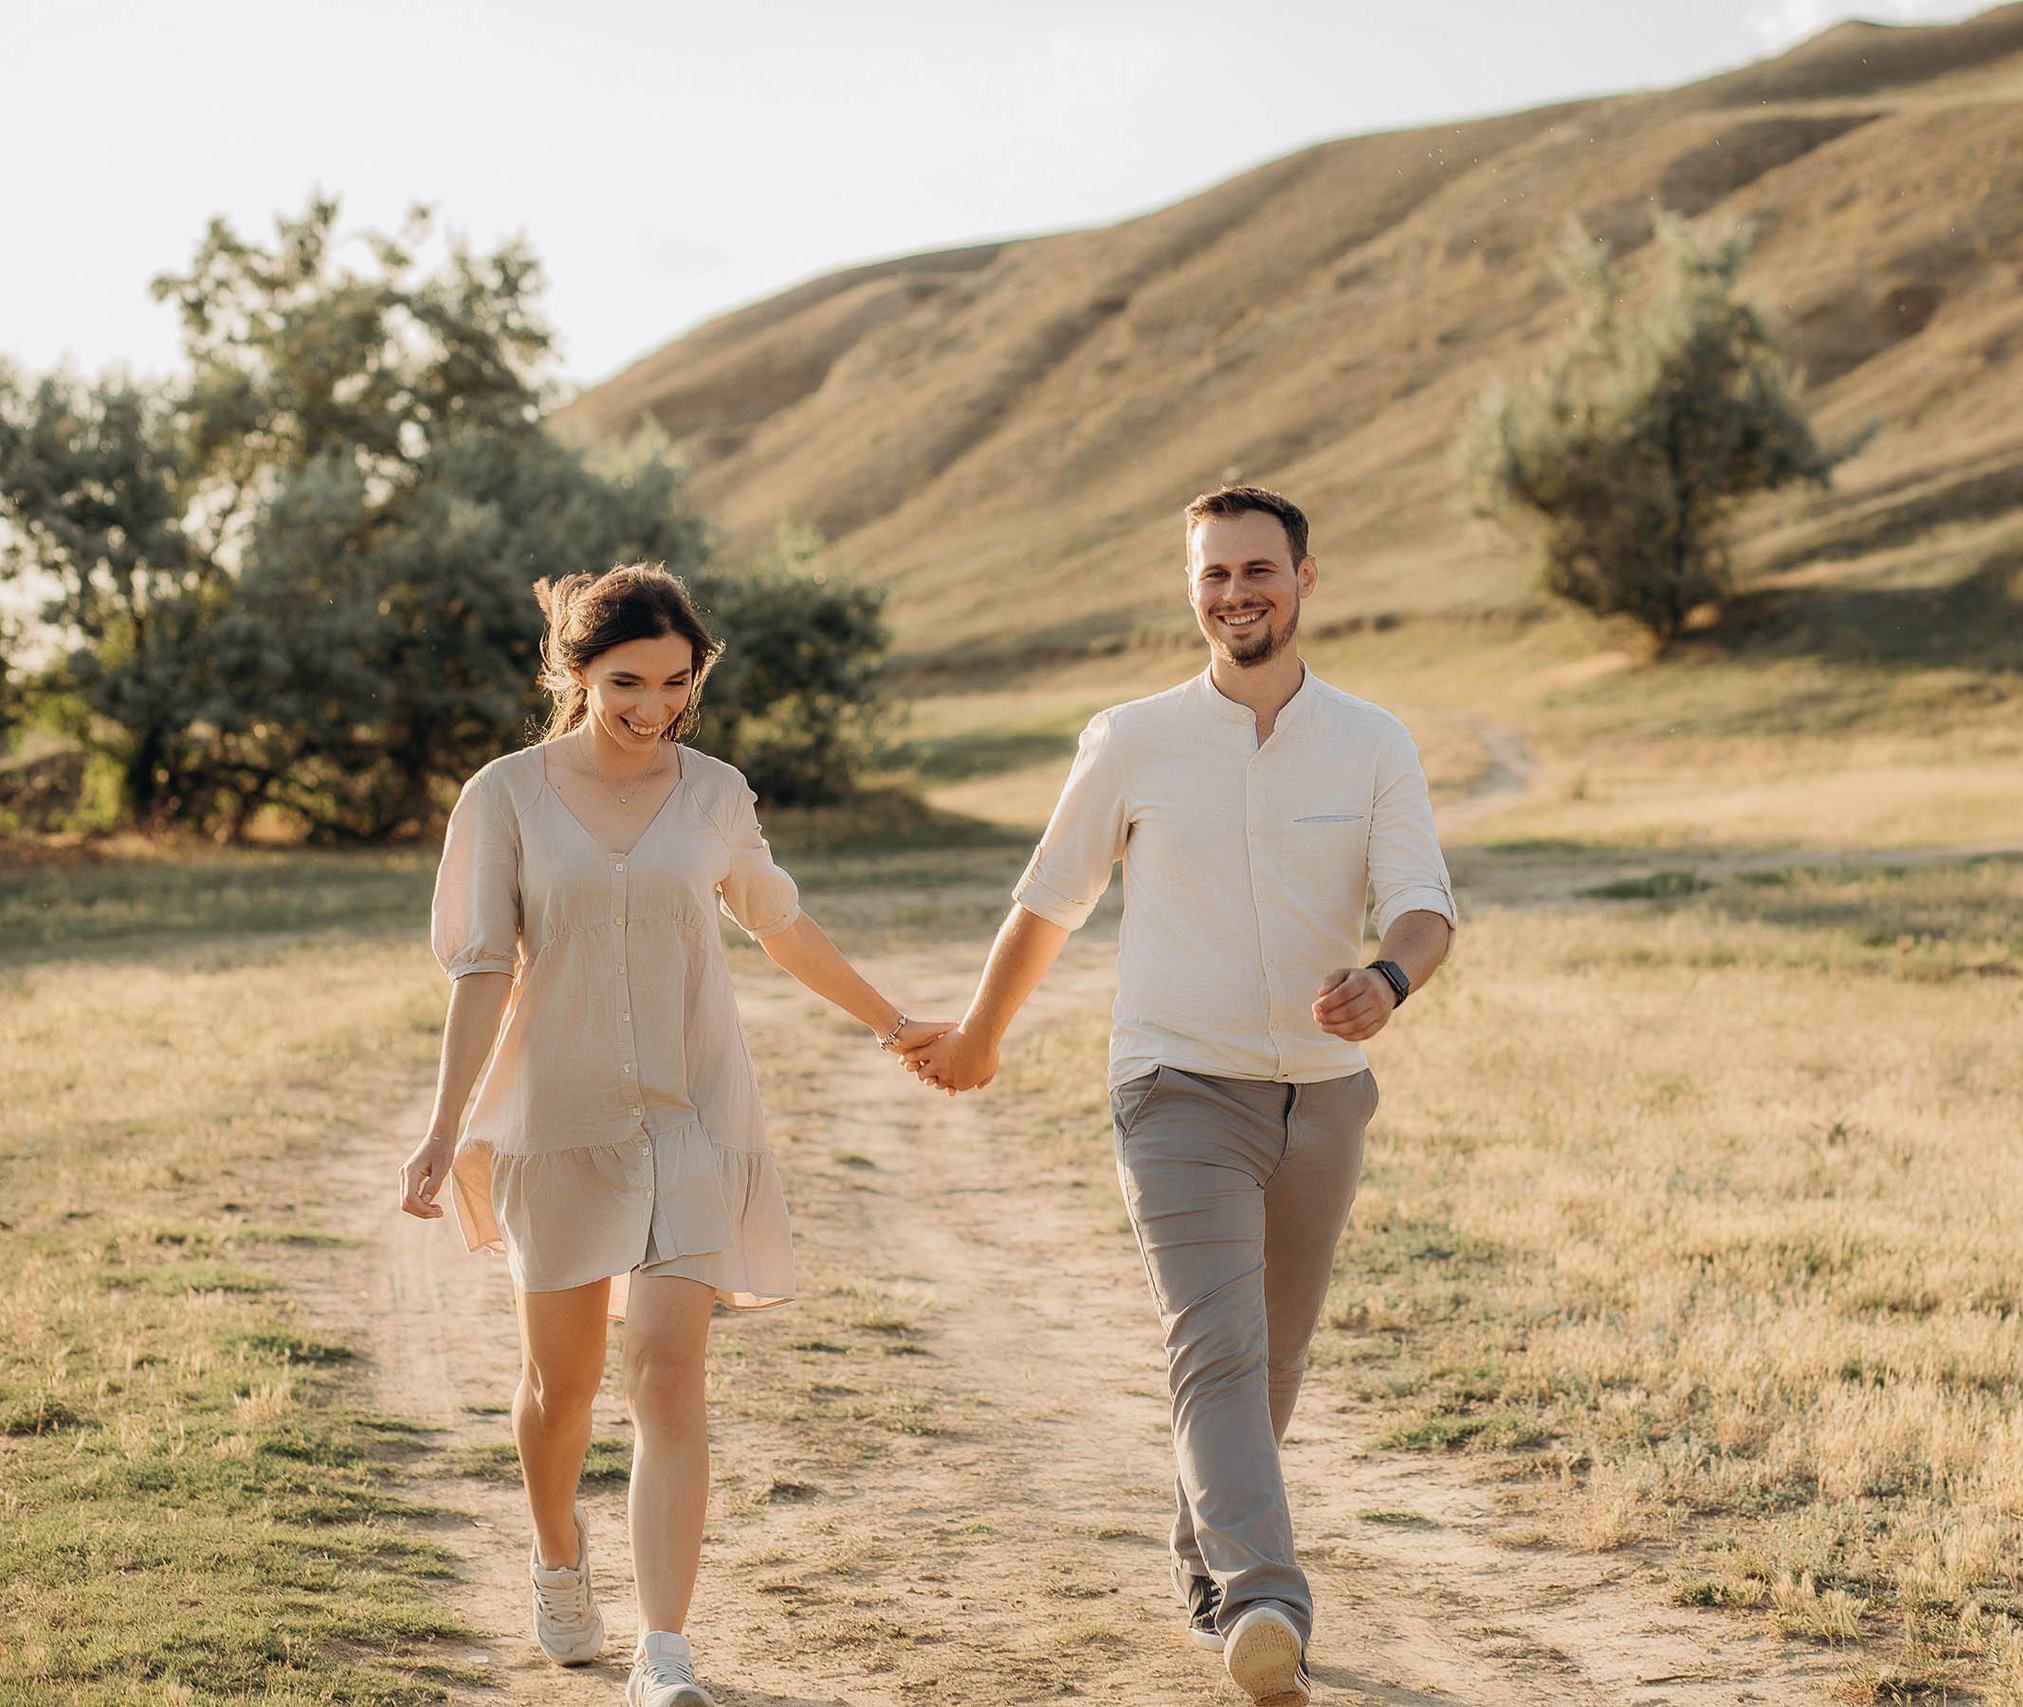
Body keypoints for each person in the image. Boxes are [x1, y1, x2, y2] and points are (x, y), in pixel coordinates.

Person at [903, 487, 1456, 1707]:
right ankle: (1269, 1598)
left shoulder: (1372, 741)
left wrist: (1388, 977)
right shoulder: (1133, 737)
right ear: (1190, 588)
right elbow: (1049, 898)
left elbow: (1423, 901)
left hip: (1322, 1096)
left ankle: (1207, 1563)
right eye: (1213, 574)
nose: (1235, 593)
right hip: (1173, 1084)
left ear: (1308, 577)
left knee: (1273, 1360)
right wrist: (983, 1034)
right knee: (1214, 1339)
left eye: (1258, 569)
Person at [396, 565, 945, 1707]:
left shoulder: (713, 794)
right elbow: (482, 968)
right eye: (626, 683)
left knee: (665, 1371)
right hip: (558, 1121)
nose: (653, 707)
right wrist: (445, 1128)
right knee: (564, 1385)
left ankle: (665, 1650)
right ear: (574, 672)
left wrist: (894, 1022)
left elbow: (779, 926)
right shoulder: (502, 796)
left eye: (675, 683)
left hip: (696, 1114)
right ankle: (557, 1558)